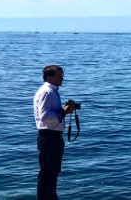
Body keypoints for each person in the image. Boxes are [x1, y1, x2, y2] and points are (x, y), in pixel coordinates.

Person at [34, 65, 75, 200]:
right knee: (47, 174)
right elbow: (44, 116)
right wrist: (64, 111)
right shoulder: (47, 92)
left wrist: (65, 110)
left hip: (54, 136)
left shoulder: (52, 92)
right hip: (49, 136)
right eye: (59, 76)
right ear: (50, 78)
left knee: (53, 173)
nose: (62, 78)